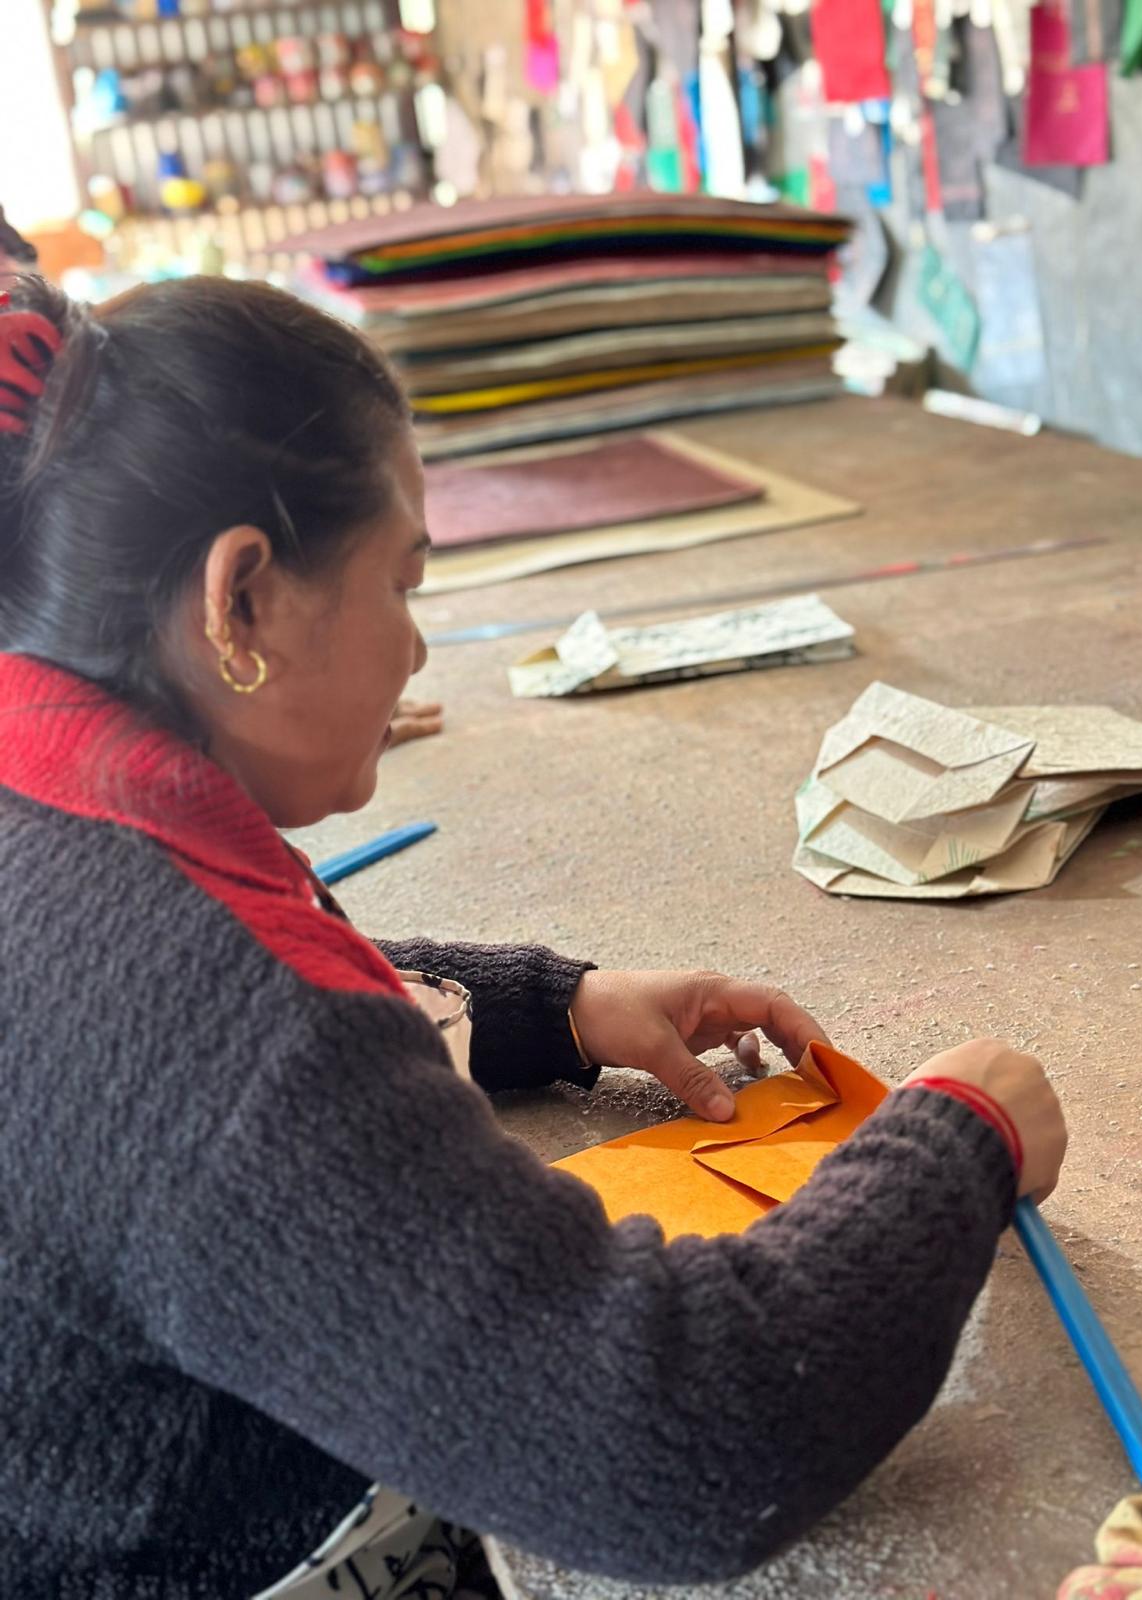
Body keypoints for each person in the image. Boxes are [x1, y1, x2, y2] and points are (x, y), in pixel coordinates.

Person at [0, 274, 1067, 1600]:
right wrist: (962, 1133)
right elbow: (684, 1439)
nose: (414, 649)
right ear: (244, 600)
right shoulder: (202, 1029)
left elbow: (238, 996)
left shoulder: (47, 797)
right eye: (401, 581)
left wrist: (548, 1008)